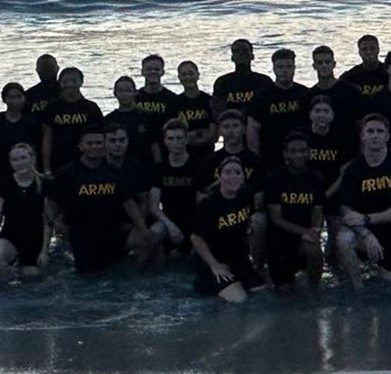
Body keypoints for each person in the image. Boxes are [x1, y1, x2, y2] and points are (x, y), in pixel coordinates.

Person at [329, 114, 391, 285]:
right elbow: (346, 210)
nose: (375, 135)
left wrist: (367, 218)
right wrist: (366, 233)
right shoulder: (353, 169)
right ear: (362, 135)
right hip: (365, 233)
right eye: (370, 131)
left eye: (379, 131)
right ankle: (357, 289)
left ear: (387, 136)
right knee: (343, 238)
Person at [47, 126, 147, 274]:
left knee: (146, 242)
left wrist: (142, 228)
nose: (95, 147)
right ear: (81, 147)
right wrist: (55, 221)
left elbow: (129, 203)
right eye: (90, 143)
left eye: (99, 143)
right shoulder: (67, 174)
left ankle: (139, 275)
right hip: (82, 235)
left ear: (105, 145)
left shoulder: (114, 172)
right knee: (89, 276)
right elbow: (50, 201)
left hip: (112, 231)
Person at [258, 131, 328, 288]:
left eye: (303, 151)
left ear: (309, 152)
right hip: (279, 239)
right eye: (294, 151)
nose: (298, 155)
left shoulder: (316, 178)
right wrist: (304, 231)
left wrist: (315, 231)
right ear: (285, 154)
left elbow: (317, 211)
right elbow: (276, 219)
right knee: (285, 291)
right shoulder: (274, 178)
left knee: (314, 250)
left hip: (304, 236)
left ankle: (314, 291)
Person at [190, 155, 265, 301]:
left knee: (262, 295)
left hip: (238, 259)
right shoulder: (209, 204)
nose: (233, 177)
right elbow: (195, 237)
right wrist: (214, 265)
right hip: (213, 260)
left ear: (243, 177)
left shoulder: (246, 194)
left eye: (238, 172)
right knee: (239, 300)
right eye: (228, 172)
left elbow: (249, 221)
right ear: (219, 177)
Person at [143, 119, 205, 267]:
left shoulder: (198, 166)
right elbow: (154, 206)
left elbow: (203, 204)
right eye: (171, 138)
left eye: (179, 138)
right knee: (156, 231)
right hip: (169, 220)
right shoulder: (160, 169)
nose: (175, 142)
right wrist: (170, 225)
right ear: (165, 141)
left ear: (186, 140)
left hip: (193, 221)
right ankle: (154, 274)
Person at [0, 142, 49, 282]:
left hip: (35, 239)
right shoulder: (2, 185)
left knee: (30, 278)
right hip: (10, 236)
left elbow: (47, 221)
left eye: (23, 158)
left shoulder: (45, 184)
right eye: (15, 160)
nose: (20, 163)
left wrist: (44, 250)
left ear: (33, 158)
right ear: (10, 163)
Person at [245, 49, 311, 155]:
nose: (285, 70)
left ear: (294, 68)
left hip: (300, 154)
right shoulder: (261, 97)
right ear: (274, 69)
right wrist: (256, 156)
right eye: (280, 67)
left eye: (289, 67)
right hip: (271, 153)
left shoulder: (305, 94)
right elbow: (253, 129)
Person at [41, 67, 105, 174]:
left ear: (81, 82)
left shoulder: (91, 107)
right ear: (60, 83)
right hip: (59, 161)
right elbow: (47, 138)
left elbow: (101, 136)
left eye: (74, 81)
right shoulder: (52, 107)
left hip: (86, 161)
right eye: (65, 82)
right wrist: (46, 168)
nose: (70, 84)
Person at [132, 55, 183, 163]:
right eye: (149, 69)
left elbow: (178, 125)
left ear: (162, 72)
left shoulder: (172, 99)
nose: (153, 72)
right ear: (142, 72)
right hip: (139, 149)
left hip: (165, 149)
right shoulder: (135, 97)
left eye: (156, 69)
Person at [216, 38, 274, 118]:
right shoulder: (222, 82)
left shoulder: (264, 81)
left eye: (245, 50)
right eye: (236, 51)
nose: (241, 53)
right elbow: (218, 110)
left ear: (252, 56)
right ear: (232, 58)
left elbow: (269, 108)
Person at [309, 45, 364, 130]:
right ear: (314, 66)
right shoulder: (310, 95)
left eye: (327, 62)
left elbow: (360, 123)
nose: (324, 66)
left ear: (334, 64)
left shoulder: (352, 91)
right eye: (320, 62)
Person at [176, 59, 217, 160]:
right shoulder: (175, 103)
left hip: (207, 154)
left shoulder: (209, 101)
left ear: (198, 75)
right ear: (179, 78)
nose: (188, 77)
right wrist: (202, 133)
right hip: (183, 155)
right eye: (184, 74)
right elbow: (175, 136)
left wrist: (191, 136)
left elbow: (214, 135)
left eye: (190, 73)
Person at [106, 75, 152, 154]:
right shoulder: (109, 119)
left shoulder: (146, 116)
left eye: (128, 91)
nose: (124, 94)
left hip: (143, 162)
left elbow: (154, 143)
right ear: (115, 94)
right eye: (120, 91)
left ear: (135, 93)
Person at [342, 34, 390, 101]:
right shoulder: (349, 77)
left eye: (372, 48)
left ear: (378, 50)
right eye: (365, 49)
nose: (369, 52)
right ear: (359, 52)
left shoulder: (390, 73)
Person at [24, 54, 61, 118]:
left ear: (57, 69)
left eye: (50, 68)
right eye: (44, 69)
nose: (47, 72)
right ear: (37, 70)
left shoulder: (67, 92)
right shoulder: (28, 95)